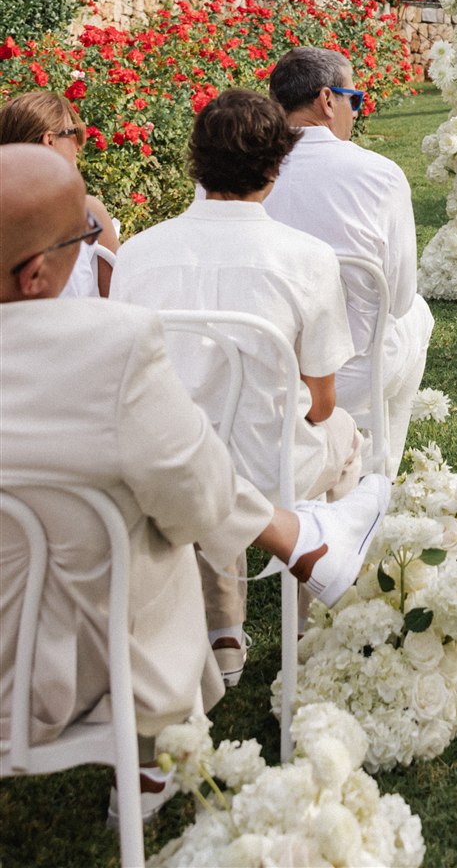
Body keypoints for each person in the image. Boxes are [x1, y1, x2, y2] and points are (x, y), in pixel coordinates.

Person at [0, 145, 390, 819]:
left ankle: (299, 542)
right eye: (83, 235)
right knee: (156, 506)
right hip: (65, 675)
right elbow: (197, 503)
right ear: (37, 273)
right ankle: (296, 543)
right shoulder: (107, 347)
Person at [111, 89, 362, 688]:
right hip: (274, 467)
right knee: (345, 436)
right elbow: (321, 403)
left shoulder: (139, 255)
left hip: (171, 470)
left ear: (195, 162)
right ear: (277, 168)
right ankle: (309, 621)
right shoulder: (306, 257)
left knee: (206, 440)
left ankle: (222, 633)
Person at [266, 46, 434, 470]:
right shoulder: (378, 174)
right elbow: (397, 298)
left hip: (255, 371)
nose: (356, 112)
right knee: (417, 315)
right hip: (351, 373)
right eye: (354, 99)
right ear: (327, 100)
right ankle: (379, 475)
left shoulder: (228, 175)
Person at [0, 89, 119, 296]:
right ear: (50, 140)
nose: (79, 147)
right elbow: (119, 299)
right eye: (75, 133)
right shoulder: (87, 211)